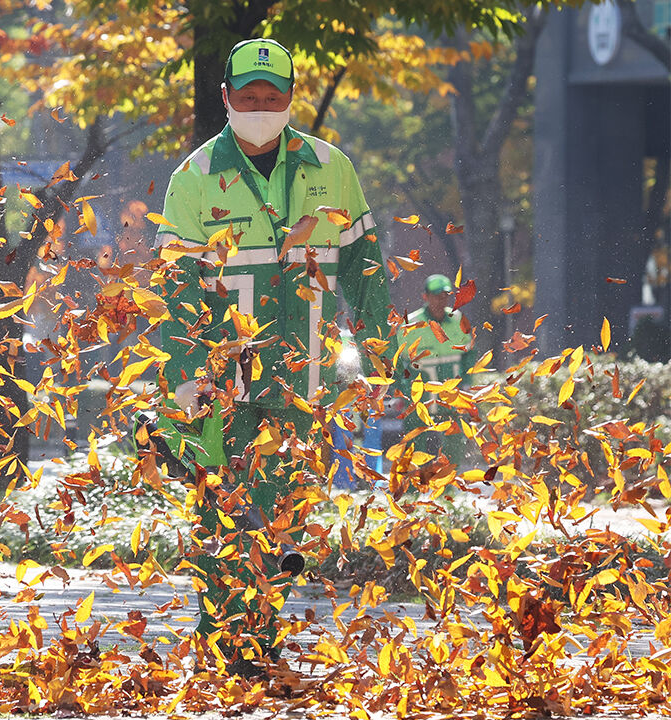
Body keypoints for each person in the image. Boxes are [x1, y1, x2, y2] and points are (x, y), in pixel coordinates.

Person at [152, 38, 397, 674]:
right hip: (220, 385)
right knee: (226, 513)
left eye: (274, 96)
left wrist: (378, 350)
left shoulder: (331, 168)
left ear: (291, 100)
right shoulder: (195, 178)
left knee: (283, 518)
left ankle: (258, 638)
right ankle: (229, 644)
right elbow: (175, 291)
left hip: (303, 382)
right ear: (226, 97)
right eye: (251, 96)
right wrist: (182, 382)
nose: (262, 105)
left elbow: (366, 270)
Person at [401, 273, 474, 462]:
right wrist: (402, 388)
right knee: (415, 439)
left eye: (445, 295)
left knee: (454, 439)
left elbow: (470, 353)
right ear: (425, 296)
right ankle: (413, 486)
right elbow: (400, 361)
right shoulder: (412, 324)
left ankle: (448, 485)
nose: (441, 300)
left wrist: (467, 382)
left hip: (452, 391)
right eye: (436, 295)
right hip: (421, 393)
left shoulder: (458, 320)